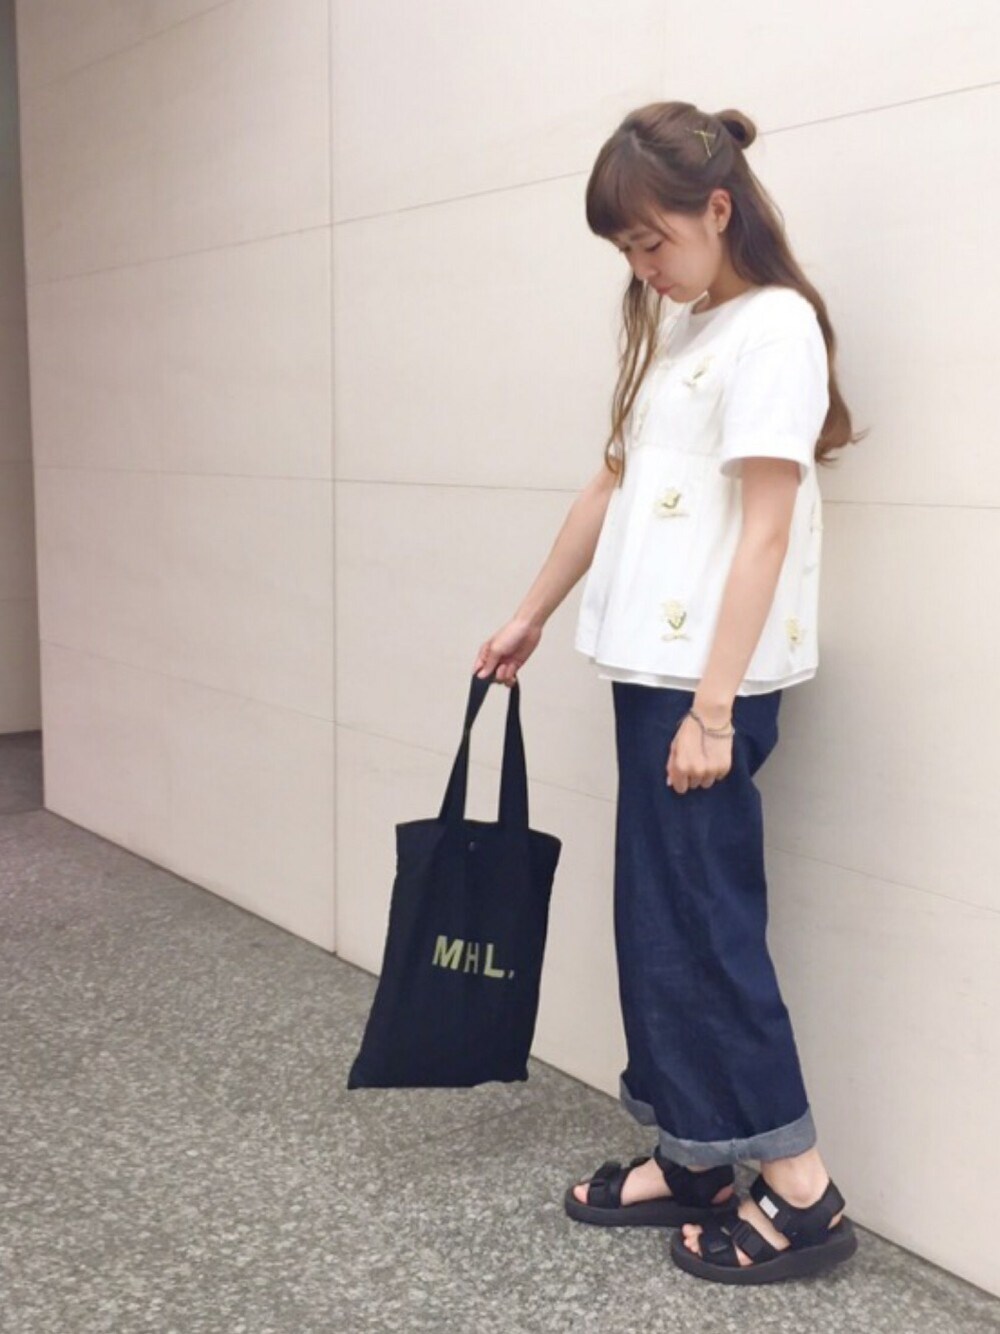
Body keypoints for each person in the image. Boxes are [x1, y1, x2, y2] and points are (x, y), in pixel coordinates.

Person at [472, 101, 868, 1285]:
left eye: (652, 240)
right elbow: (609, 485)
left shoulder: (775, 328)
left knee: (704, 925)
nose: (641, 266)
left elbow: (765, 532)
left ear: (717, 208)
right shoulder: (685, 329)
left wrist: (712, 709)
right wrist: (531, 611)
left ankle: (802, 1189)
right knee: (656, 924)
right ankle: (695, 1157)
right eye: (625, 250)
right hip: (654, 675)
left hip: (706, 687)